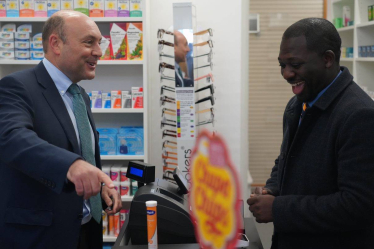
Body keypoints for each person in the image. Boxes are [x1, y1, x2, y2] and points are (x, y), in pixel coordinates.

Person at [247, 18, 374, 249]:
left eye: (295, 65)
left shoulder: (359, 115)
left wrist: (277, 209)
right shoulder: (297, 105)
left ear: (327, 59)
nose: (286, 74)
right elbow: (287, 159)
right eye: (282, 65)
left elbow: (358, 205)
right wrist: (272, 187)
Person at [0, 11, 122, 249]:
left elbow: (81, 149)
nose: (99, 52)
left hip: (87, 232)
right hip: (42, 238)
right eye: (89, 42)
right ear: (56, 43)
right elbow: (12, 137)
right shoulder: (17, 87)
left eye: (99, 43)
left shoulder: (79, 95)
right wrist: (71, 165)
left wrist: (100, 186)